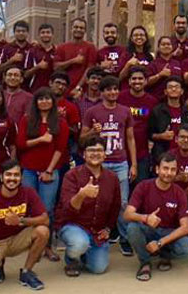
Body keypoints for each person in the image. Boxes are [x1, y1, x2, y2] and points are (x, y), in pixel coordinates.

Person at [0, 159, 50, 290]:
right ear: (1, 177)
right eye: (8, 175)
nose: (12, 179)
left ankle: (26, 272)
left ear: (21, 177)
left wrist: (21, 221)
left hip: (17, 240)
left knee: (43, 231)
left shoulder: (29, 193)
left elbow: (45, 219)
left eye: (16, 175)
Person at [80, 76, 136, 246]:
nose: (113, 92)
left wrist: (133, 164)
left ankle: (125, 238)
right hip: (99, 163)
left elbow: (130, 138)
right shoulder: (92, 112)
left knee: (123, 202)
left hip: (120, 162)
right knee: (99, 200)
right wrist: (93, 133)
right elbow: (82, 139)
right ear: (102, 92)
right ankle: (99, 233)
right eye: (108, 89)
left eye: (115, 89)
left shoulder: (125, 111)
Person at [55, 138, 122, 276]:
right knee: (79, 243)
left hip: (97, 231)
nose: (95, 154)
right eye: (91, 150)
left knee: (98, 268)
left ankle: (85, 253)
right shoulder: (71, 175)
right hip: (73, 226)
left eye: (99, 150)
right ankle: (72, 258)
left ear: (105, 154)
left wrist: (108, 228)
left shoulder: (112, 177)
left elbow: (116, 206)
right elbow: (67, 208)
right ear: (84, 154)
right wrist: (82, 194)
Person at [124, 153, 188, 281]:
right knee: (132, 228)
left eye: (173, 169)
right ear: (157, 169)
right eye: (165, 168)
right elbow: (127, 214)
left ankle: (164, 254)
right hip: (148, 229)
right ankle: (145, 262)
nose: (168, 173)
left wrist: (160, 243)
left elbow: (185, 228)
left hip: (169, 233)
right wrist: (145, 218)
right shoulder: (143, 186)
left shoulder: (179, 193)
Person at [17, 87, 69, 261]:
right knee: (29, 209)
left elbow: (60, 149)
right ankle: (32, 244)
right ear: (36, 102)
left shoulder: (60, 122)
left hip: (50, 171)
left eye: (48, 99)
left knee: (47, 209)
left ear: (53, 102)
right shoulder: (27, 119)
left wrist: (49, 170)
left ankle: (46, 246)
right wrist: (40, 139)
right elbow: (21, 144)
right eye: (41, 99)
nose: (44, 102)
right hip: (29, 170)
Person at [119, 67, 159, 181]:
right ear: (129, 81)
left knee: (140, 186)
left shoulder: (152, 101)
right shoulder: (120, 98)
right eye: (134, 79)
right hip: (121, 153)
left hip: (143, 153)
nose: (137, 81)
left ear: (146, 81)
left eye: (140, 79)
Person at [148, 77, 188, 167]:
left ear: (182, 91)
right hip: (163, 154)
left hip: (184, 155)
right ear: (165, 91)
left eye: (176, 87)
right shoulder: (157, 111)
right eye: (170, 87)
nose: (173, 89)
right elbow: (150, 134)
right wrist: (161, 136)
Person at [55, 18, 98, 92]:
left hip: (83, 91)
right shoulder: (61, 47)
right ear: (71, 29)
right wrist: (73, 61)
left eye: (81, 28)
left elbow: (90, 69)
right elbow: (56, 67)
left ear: (85, 31)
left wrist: (78, 87)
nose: (78, 29)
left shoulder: (90, 47)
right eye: (76, 27)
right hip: (64, 90)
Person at [145, 36, 183, 101]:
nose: (166, 46)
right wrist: (159, 75)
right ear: (159, 48)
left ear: (172, 47)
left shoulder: (177, 63)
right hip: (157, 100)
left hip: (175, 101)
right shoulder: (153, 64)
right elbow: (146, 82)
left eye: (168, 44)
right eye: (163, 44)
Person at [24, 23, 56, 91]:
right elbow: (26, 74)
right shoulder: (32, 51)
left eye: (48, 32)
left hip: (53, 90)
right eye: (43, 33)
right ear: (39, 35)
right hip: (35, 89)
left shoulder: (57, 51)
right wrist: (38, 67)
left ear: (52, 35)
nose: (45, 35)